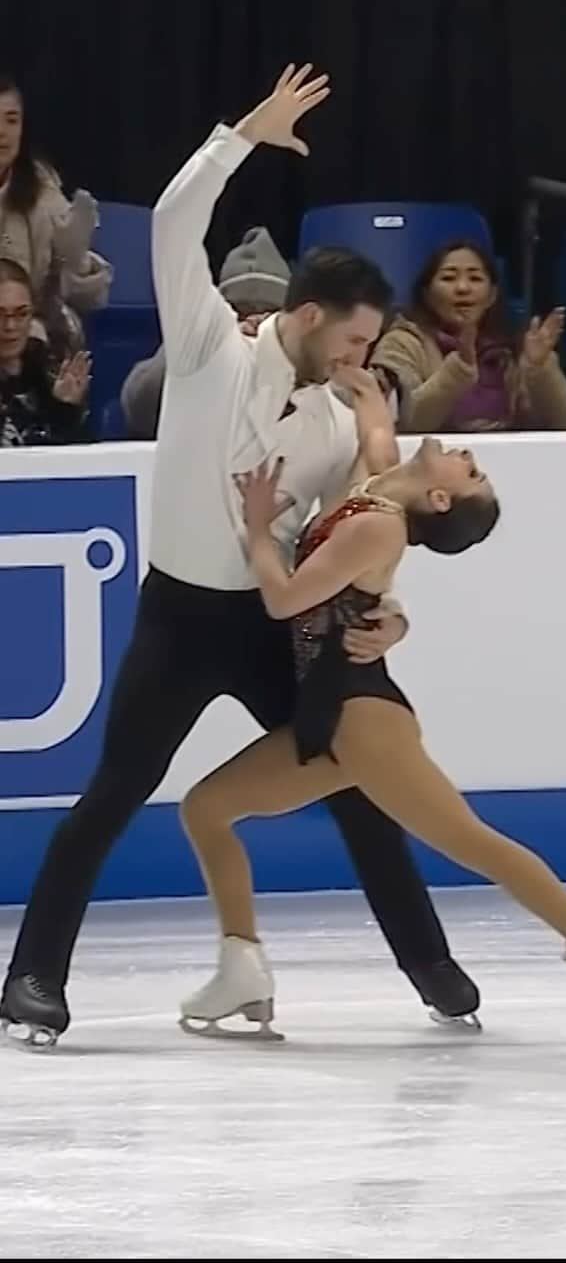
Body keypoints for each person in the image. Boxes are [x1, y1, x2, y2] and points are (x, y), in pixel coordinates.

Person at [0, 63, 480, 1049]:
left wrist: (393, 612)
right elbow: (178, 220)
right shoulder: (210, 346)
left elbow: (369, 527)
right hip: (179, 618)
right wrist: (242, 136)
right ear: (305, 318)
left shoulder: (344, 420)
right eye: (352, 340)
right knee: (112, 794)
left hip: (275, 621)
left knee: (352, 778)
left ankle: (432, 967)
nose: (362, 360)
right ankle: (32, 979)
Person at [178, 369, 566, 1046]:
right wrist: (359, 380)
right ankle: (242, 966)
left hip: (363, 715)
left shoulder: (378, 528)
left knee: (471, 841)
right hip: (332, 714)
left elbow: (284, 600)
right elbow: (379, 433)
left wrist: (260, 528)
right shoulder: (380, 483)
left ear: (439, 497)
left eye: (473, 473)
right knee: (205, 809)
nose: (470, 455)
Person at [372, 240, 566, 433]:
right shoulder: (401, 344)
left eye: (476, 278)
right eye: (448, 278)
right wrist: (458, 371)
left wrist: (540, 370)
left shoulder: (509, 348)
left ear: (491, 296)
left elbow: (563, 421)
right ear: (426, 294)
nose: (463, 288)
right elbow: (408, 422)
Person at [120, 225, 291, 439]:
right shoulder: (204, 336)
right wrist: (215, 342)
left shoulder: (302, 350)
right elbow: (139, 407)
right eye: (241, 311)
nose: (252, 321)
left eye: (266, 313)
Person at [0, 75, 111, 361]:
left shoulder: (45, 197)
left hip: (28, 342)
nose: (3, 132)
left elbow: (90, 302)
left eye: (12, 120)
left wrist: (78, 262)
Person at [0, 257, 90, 447]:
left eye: (22, 313)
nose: (10, 325)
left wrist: (65, 409)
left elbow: (81, 464)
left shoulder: (45, 376)